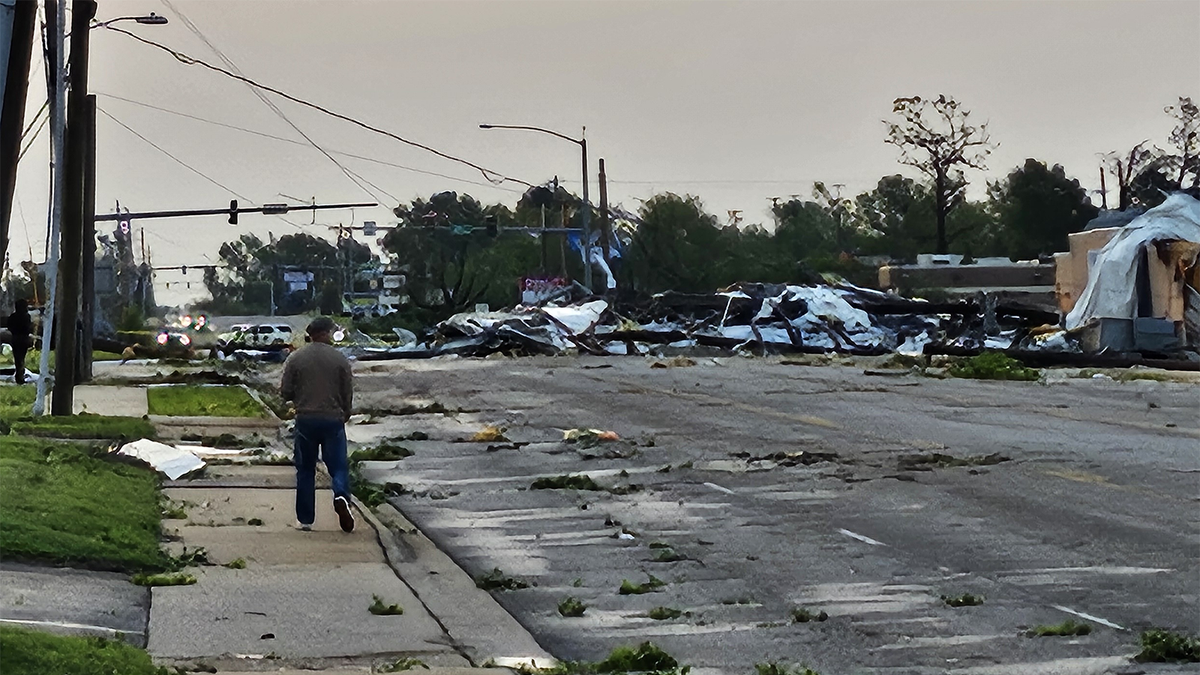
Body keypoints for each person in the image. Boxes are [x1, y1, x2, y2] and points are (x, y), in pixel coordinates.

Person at [280, 317, 355, 533]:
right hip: (333, 419)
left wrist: (299, 398)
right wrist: (346, 412)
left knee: (305, 469)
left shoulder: (296, 358)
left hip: (306, 419)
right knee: (338, 466)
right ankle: (341, 495)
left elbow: (285, 391)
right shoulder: (339, 359)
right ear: (326, 333)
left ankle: (305, 519)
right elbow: (347, 391)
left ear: (311, 334)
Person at [6, 300, 33, 384]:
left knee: (17, 357)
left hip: (15, 338)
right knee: (21, 357)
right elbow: (28, 328)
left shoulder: (13, 316)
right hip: (23, 339)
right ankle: (20, 375)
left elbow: (9, 326)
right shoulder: (26, 317)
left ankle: (19, 374)